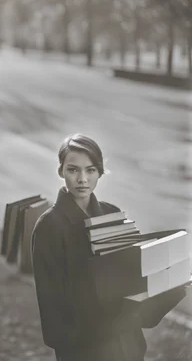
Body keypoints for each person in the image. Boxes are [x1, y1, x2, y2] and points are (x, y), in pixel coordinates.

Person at [32, 133, 186, 361]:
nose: (82, 179)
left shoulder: (112, 213)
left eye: (90, 170)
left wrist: (171, 281)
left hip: (129, 349)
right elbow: (53, 318)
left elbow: (132, 285)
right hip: (84, 352)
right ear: (60, 171)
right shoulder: (48, 227)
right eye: (73, 170)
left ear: (100, 172)